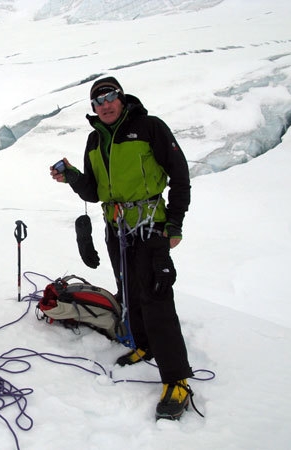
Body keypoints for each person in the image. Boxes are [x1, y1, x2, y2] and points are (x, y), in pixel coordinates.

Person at [50, 76, 194, 420]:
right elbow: (94, 192)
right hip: (117, 228)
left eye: (110, 97)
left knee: (157, 297)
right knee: (129, 290)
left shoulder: (149, 127)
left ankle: (177, 380)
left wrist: (174, 224)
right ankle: (143, 344)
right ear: (94, 108)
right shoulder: (94, 140)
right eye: (98, 101)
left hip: (151, 228)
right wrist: (71, 176)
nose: (106, 105)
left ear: (121, 97)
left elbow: (180, 173)